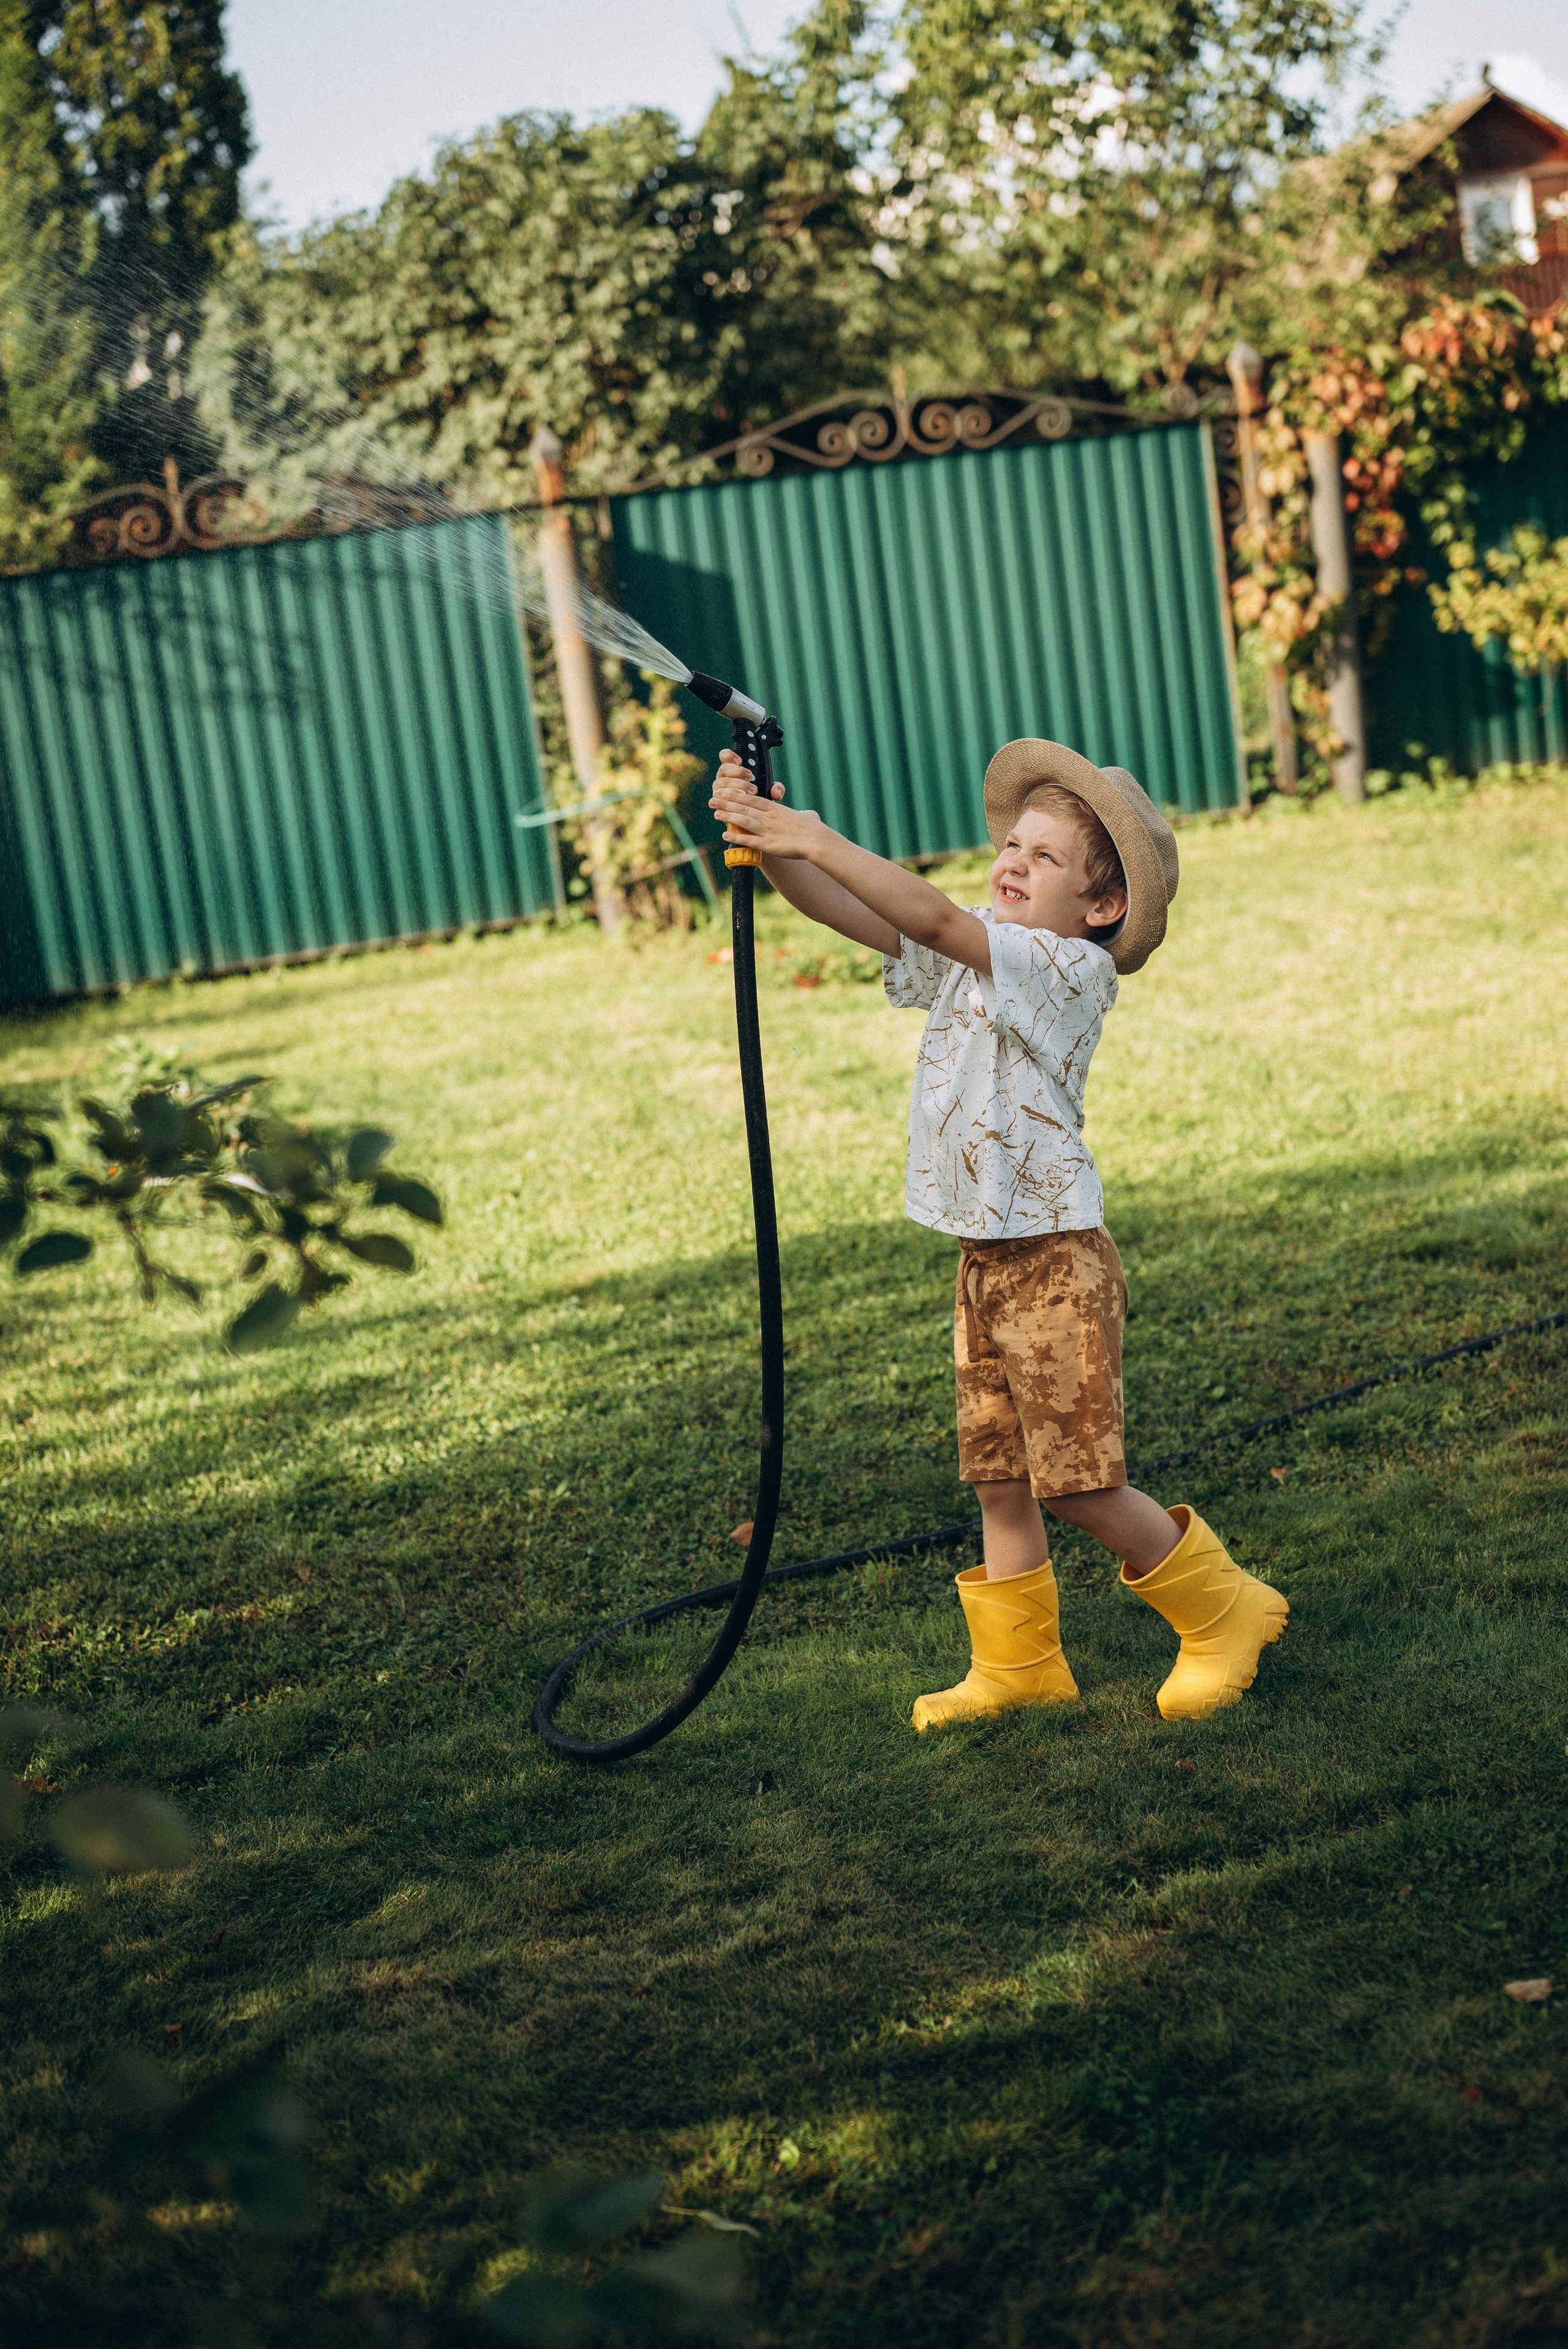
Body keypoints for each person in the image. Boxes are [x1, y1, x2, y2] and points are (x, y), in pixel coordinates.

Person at [709, 737, 1286, 1731]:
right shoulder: (981, 946)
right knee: (1001, 1478)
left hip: (1056, 1262)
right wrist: (772, 844)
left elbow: (930, 913)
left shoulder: (1067, 968)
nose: (1014, 862)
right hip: (987, 1260)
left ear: (1103, 906)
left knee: (1078, 1483)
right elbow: (851, 910)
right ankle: (1019, 1665)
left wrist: (811, 832)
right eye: (1013, 845)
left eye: (1045, 857)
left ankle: (1227, 1611)